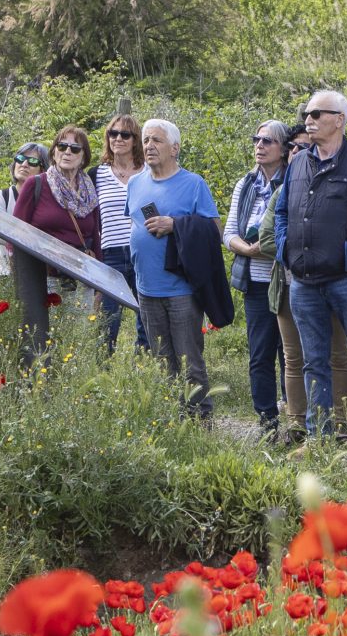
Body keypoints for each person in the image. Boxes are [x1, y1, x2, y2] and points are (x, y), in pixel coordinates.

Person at [276, 89, 347, 453]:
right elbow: (282, 212)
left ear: (339, 120)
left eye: (316, 114)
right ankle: (319, 438)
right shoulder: (297, 162)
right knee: (314, 362)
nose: (308, 120)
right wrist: (286, 249)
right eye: (306, 114)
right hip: (304, 281)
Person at [125, 118, 219, 417]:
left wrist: (176, 225)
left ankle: (200, 422)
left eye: (156, 140)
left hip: (181, 289)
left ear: (175, 148)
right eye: (146, 140)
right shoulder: (135, 182)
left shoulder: (193, 184)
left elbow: (214, 231)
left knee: (189, 360)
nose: (149, 146)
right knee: (161, 359)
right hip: (146, 288)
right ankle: (174, 421)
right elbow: (135, 224)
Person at [0, 130, 103, 361]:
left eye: (75, 148)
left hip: (80, 279)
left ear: (84, 157)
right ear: (54, 152)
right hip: (45, 279)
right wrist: (21, 282)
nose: (67, 152)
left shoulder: (89, 191)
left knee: (77, 343)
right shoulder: (37, 185)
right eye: (62, 146)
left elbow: (95, 236)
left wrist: (99, 286)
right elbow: (16, 236)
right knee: (45, 343)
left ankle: (75, 390)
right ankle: (43, 389)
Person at [225, 120, 292, 436]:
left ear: (283, 149)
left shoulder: (293, 180)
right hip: (255, 280)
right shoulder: (246, 184)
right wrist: (250, 250)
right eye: (257, 139)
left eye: (268, 141)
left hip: (287, 279)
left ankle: (295, 418)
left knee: (291, 353)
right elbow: (228, 234)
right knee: (261, 352)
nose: (260, 146)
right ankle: (267, 420)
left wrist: (269, 247)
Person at [93, 116, 147, 354]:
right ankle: (102, 370)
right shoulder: (97, 174)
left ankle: (143, 363)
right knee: (108, 317)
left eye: (125, 134)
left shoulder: (148, 171)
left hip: (143, 251)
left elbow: (154, 208)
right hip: (110, 253)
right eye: (113, 133)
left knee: (146, 312)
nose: (118, 139)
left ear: (136, 139)